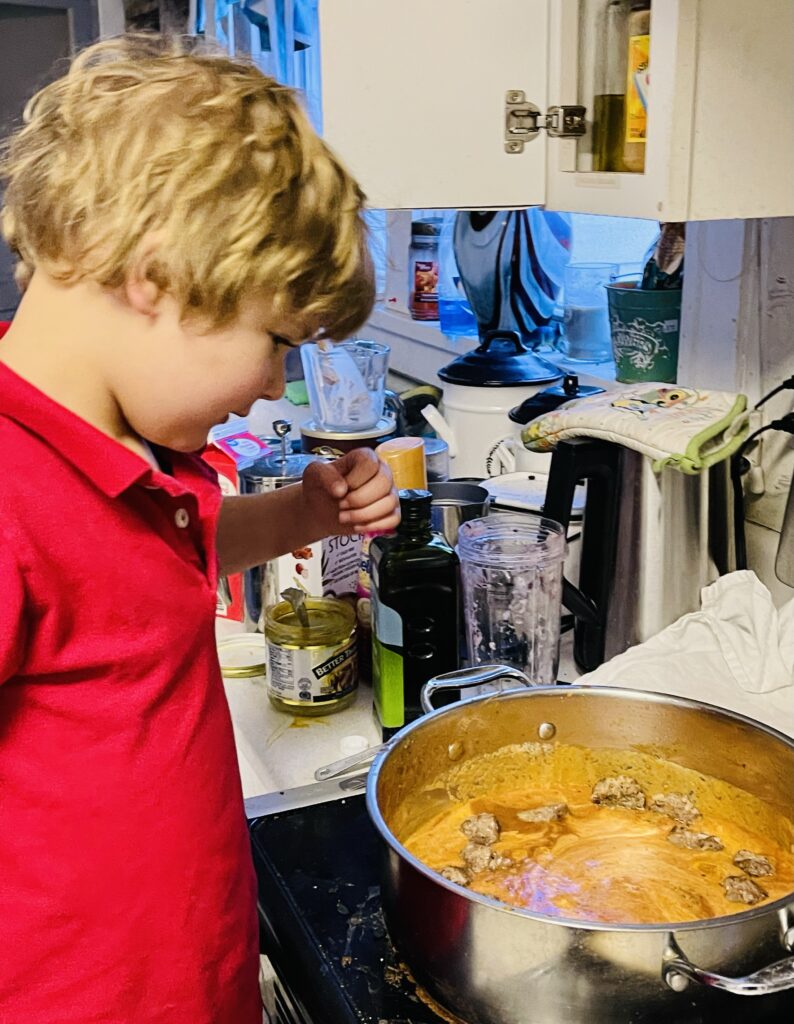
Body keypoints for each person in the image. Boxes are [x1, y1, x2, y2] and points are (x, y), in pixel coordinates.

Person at [0, 33, 398, 1024]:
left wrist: (302, 513)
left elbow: (144, 571)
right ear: (157, 276)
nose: (273, 384)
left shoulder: (124, 451)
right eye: (274, 343)